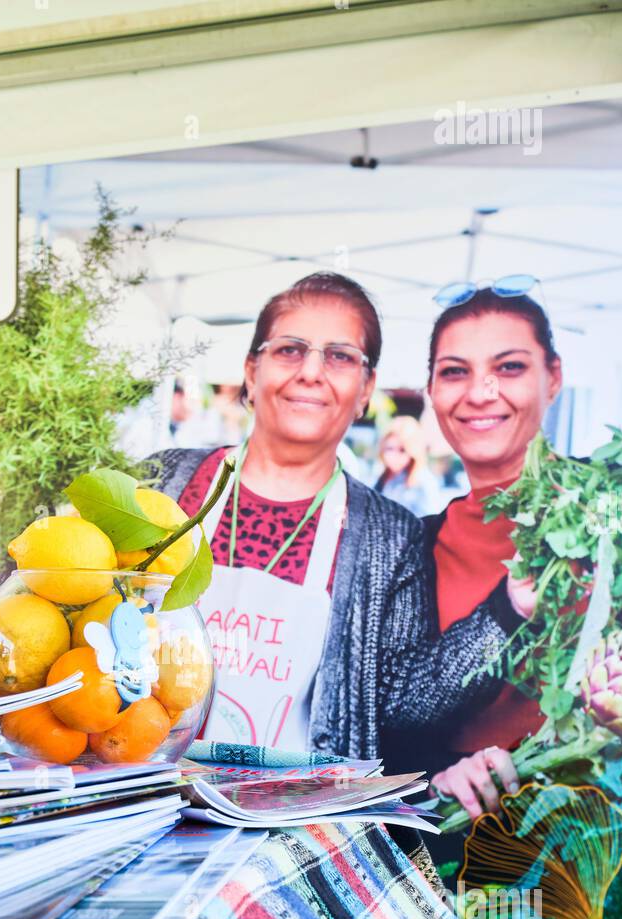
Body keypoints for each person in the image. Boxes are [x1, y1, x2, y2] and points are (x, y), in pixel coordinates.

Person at [150, 272, 528, 760]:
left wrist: (506, 610)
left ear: (367, 387)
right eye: (289, 349)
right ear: (251, 370)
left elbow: (405, 705)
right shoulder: (163, 481)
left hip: (294, 822)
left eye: (340, 357)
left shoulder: (390, 536)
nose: (311, 371)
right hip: (142, 796)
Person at [421, 285, 562, 819]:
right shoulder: (416, 544)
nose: (481, 392)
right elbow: (400, 724)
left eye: (508, 367)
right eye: (455, 371)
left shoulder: (611, 513)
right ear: (431, 390)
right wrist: (439, 780)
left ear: (553, 377)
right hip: (461, 850)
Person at [374, 414, 442, 517]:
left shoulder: (423, 481)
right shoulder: (381, 477)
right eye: (389, 448)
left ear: (412, 451)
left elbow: (429, 522)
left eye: (402, 450)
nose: (394, 455)